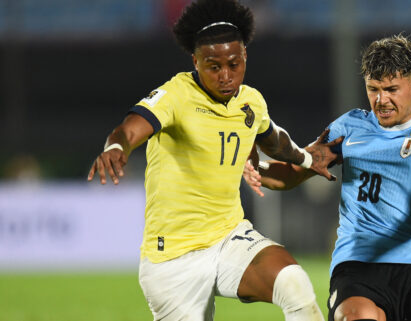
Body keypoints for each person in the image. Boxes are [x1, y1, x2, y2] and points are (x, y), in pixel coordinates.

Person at [87, 0, 341, 320]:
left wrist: (307, 160)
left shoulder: (251, 102)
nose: (225, 76)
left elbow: (277, 144)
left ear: (245, 56)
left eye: (233, 64)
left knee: (293, 283)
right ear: (195, 61)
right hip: (172, 259)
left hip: (228, 237)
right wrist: (115, 148)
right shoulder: (176, 95)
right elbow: (130, 129)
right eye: (213, 66)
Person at [243, 34, 411, 321]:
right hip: (357, 265)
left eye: (391, 89)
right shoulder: (350, 127)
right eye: (373, 89)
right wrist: (252, 169)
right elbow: (292, 174)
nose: (381, 100)